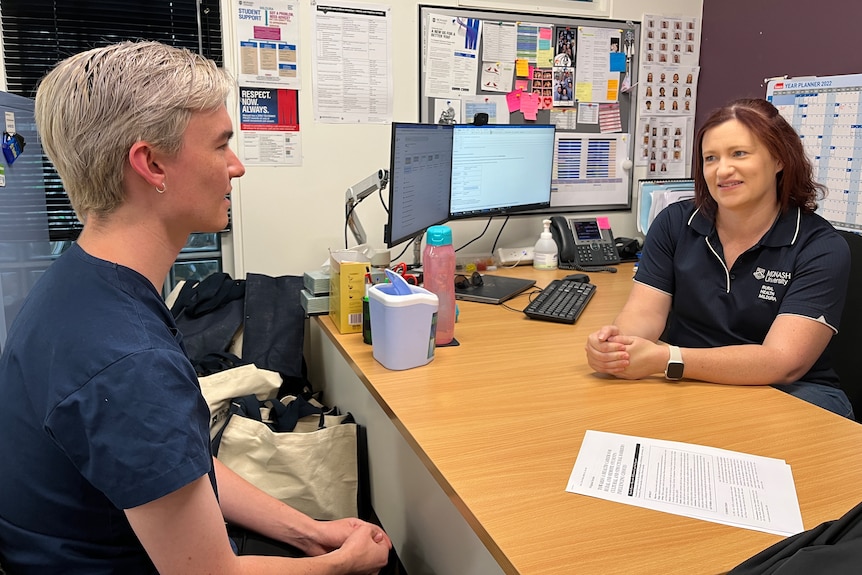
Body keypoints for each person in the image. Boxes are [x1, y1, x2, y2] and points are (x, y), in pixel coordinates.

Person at [0, 41, 392, 573]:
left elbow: (177, 467)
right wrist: (342, 564)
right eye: (220, 145)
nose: (236, 168)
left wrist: (311, 531)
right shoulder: (128, 359)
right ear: (152, 164)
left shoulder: (82, 282)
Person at [585, 98, 854, 419]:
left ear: (780, 158)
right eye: (710, 158)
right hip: (689, 382)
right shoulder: (675, 223)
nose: (722, 169)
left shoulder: (819, 246)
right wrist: (618, 349)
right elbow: (643, 315)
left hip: (792, 393)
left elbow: (783, 362)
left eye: (739, 153)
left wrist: (668, 358)